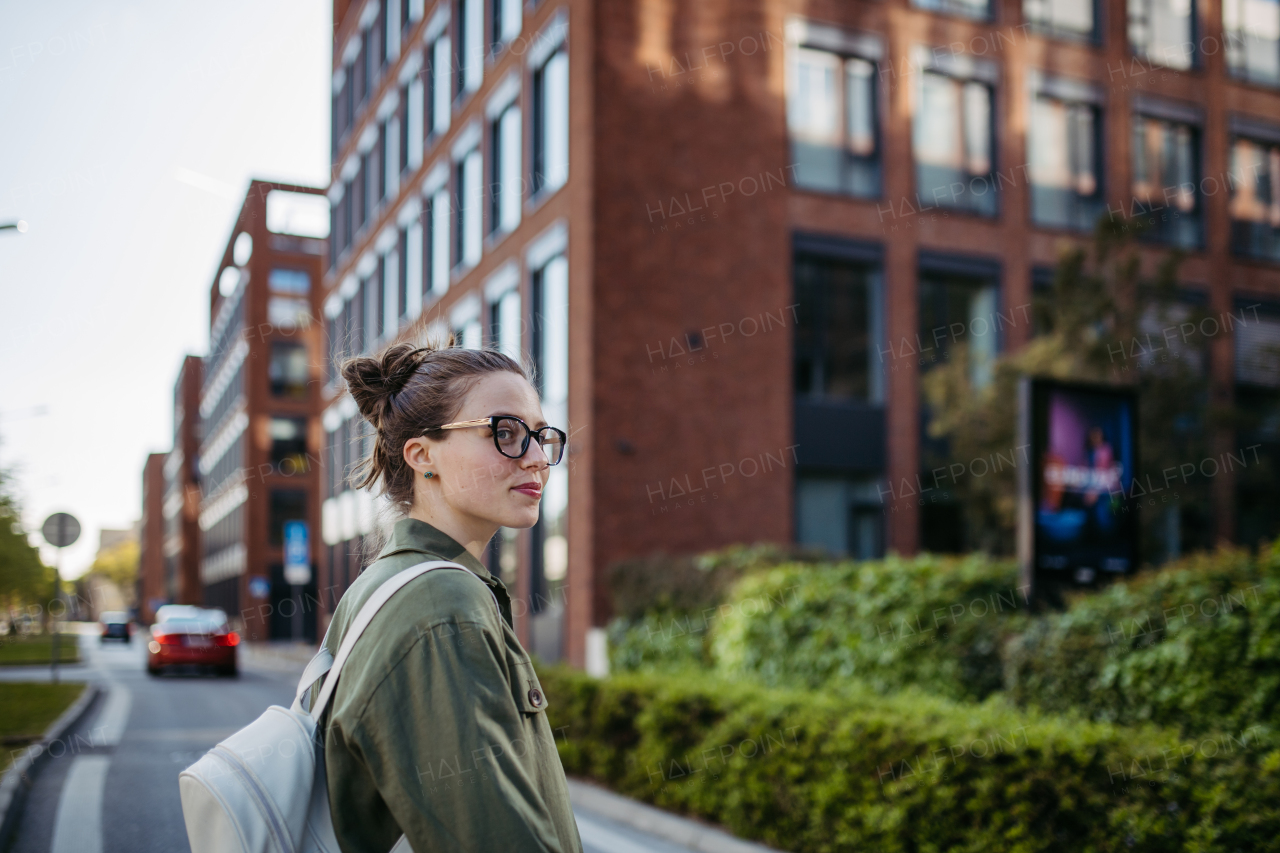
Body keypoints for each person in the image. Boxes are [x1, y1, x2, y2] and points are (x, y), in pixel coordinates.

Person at [312, 340, 582, 853]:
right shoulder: (439, 604)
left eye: (542, 436)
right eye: (505, 433)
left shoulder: (386, 584)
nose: (537, 459)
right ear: (422, 455)